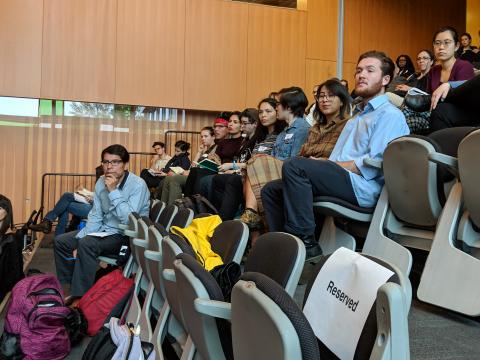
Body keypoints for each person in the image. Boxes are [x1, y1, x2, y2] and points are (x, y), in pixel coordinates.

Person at [261, 51, 409, 260]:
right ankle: (282, 249)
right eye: (359, 70)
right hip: (343, 177)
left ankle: (305, 245)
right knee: (271, 190)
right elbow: (337, 160)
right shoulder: (357, 116)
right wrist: (324, 164)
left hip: (363, 187)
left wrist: (330, 166)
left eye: (370, 70)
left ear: (385, 79)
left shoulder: (389, 115)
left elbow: (375, 163)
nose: (361, 75)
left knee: (295, 166)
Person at [242, 79, 350, 231]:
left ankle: (300, 238)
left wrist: (318, 161)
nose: (325, 100)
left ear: (342, 100)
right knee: (268, 188)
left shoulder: (347, 125)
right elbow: (302, 154)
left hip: (326, 172)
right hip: (303, 169)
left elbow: (342, 157)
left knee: (259, 164)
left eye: (331, 96)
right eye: (321, 96)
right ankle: (271, 233)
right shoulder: (314, 129)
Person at [54, 144, 150, 304]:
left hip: (126, 234)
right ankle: (68, 285)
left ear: (125, 164)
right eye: (106, 162)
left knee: (87, 243)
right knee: (61, 241)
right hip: (104, 230)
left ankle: (80, 297)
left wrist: (113, 191)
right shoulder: (100, 182)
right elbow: (96, 215)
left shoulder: (138, 184)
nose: (109, 167)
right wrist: (80, 236)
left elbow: (129, 220)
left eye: (115, 162)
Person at [30, 166, 105, 235]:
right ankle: (50, 225)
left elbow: (104, 202)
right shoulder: (102, 182)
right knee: (66, 202)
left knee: (66, 199)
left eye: (98, 174)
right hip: (93, 206)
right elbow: (97, 195)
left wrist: (91, 199)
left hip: (96, 210)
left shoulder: (108, 182)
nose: (97, 176)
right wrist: (84, 192)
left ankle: (50, 225)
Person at [428, 27, 476, 131]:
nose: (441, 47)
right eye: (437, 43)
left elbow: (463, 98)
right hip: (438, 114)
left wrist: (448, 85)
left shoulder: (464, 65)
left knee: (440, 110)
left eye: (447, 42)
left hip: (463, 113)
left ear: (456, 46)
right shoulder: (433, 70)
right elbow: (429, 95)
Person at [159, 127, 216, 205]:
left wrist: (182, 172)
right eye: (202, 136)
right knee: (168, 178)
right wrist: (199, 152)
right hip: (193, 174)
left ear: (213, 137)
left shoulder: (215, 149)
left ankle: (174, 208)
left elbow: (205, 168)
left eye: (206, 136)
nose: (203, 139)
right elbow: (192, 166)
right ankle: (164, 206)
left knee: (174, 179)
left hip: (201, 176)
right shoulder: (204, 151)